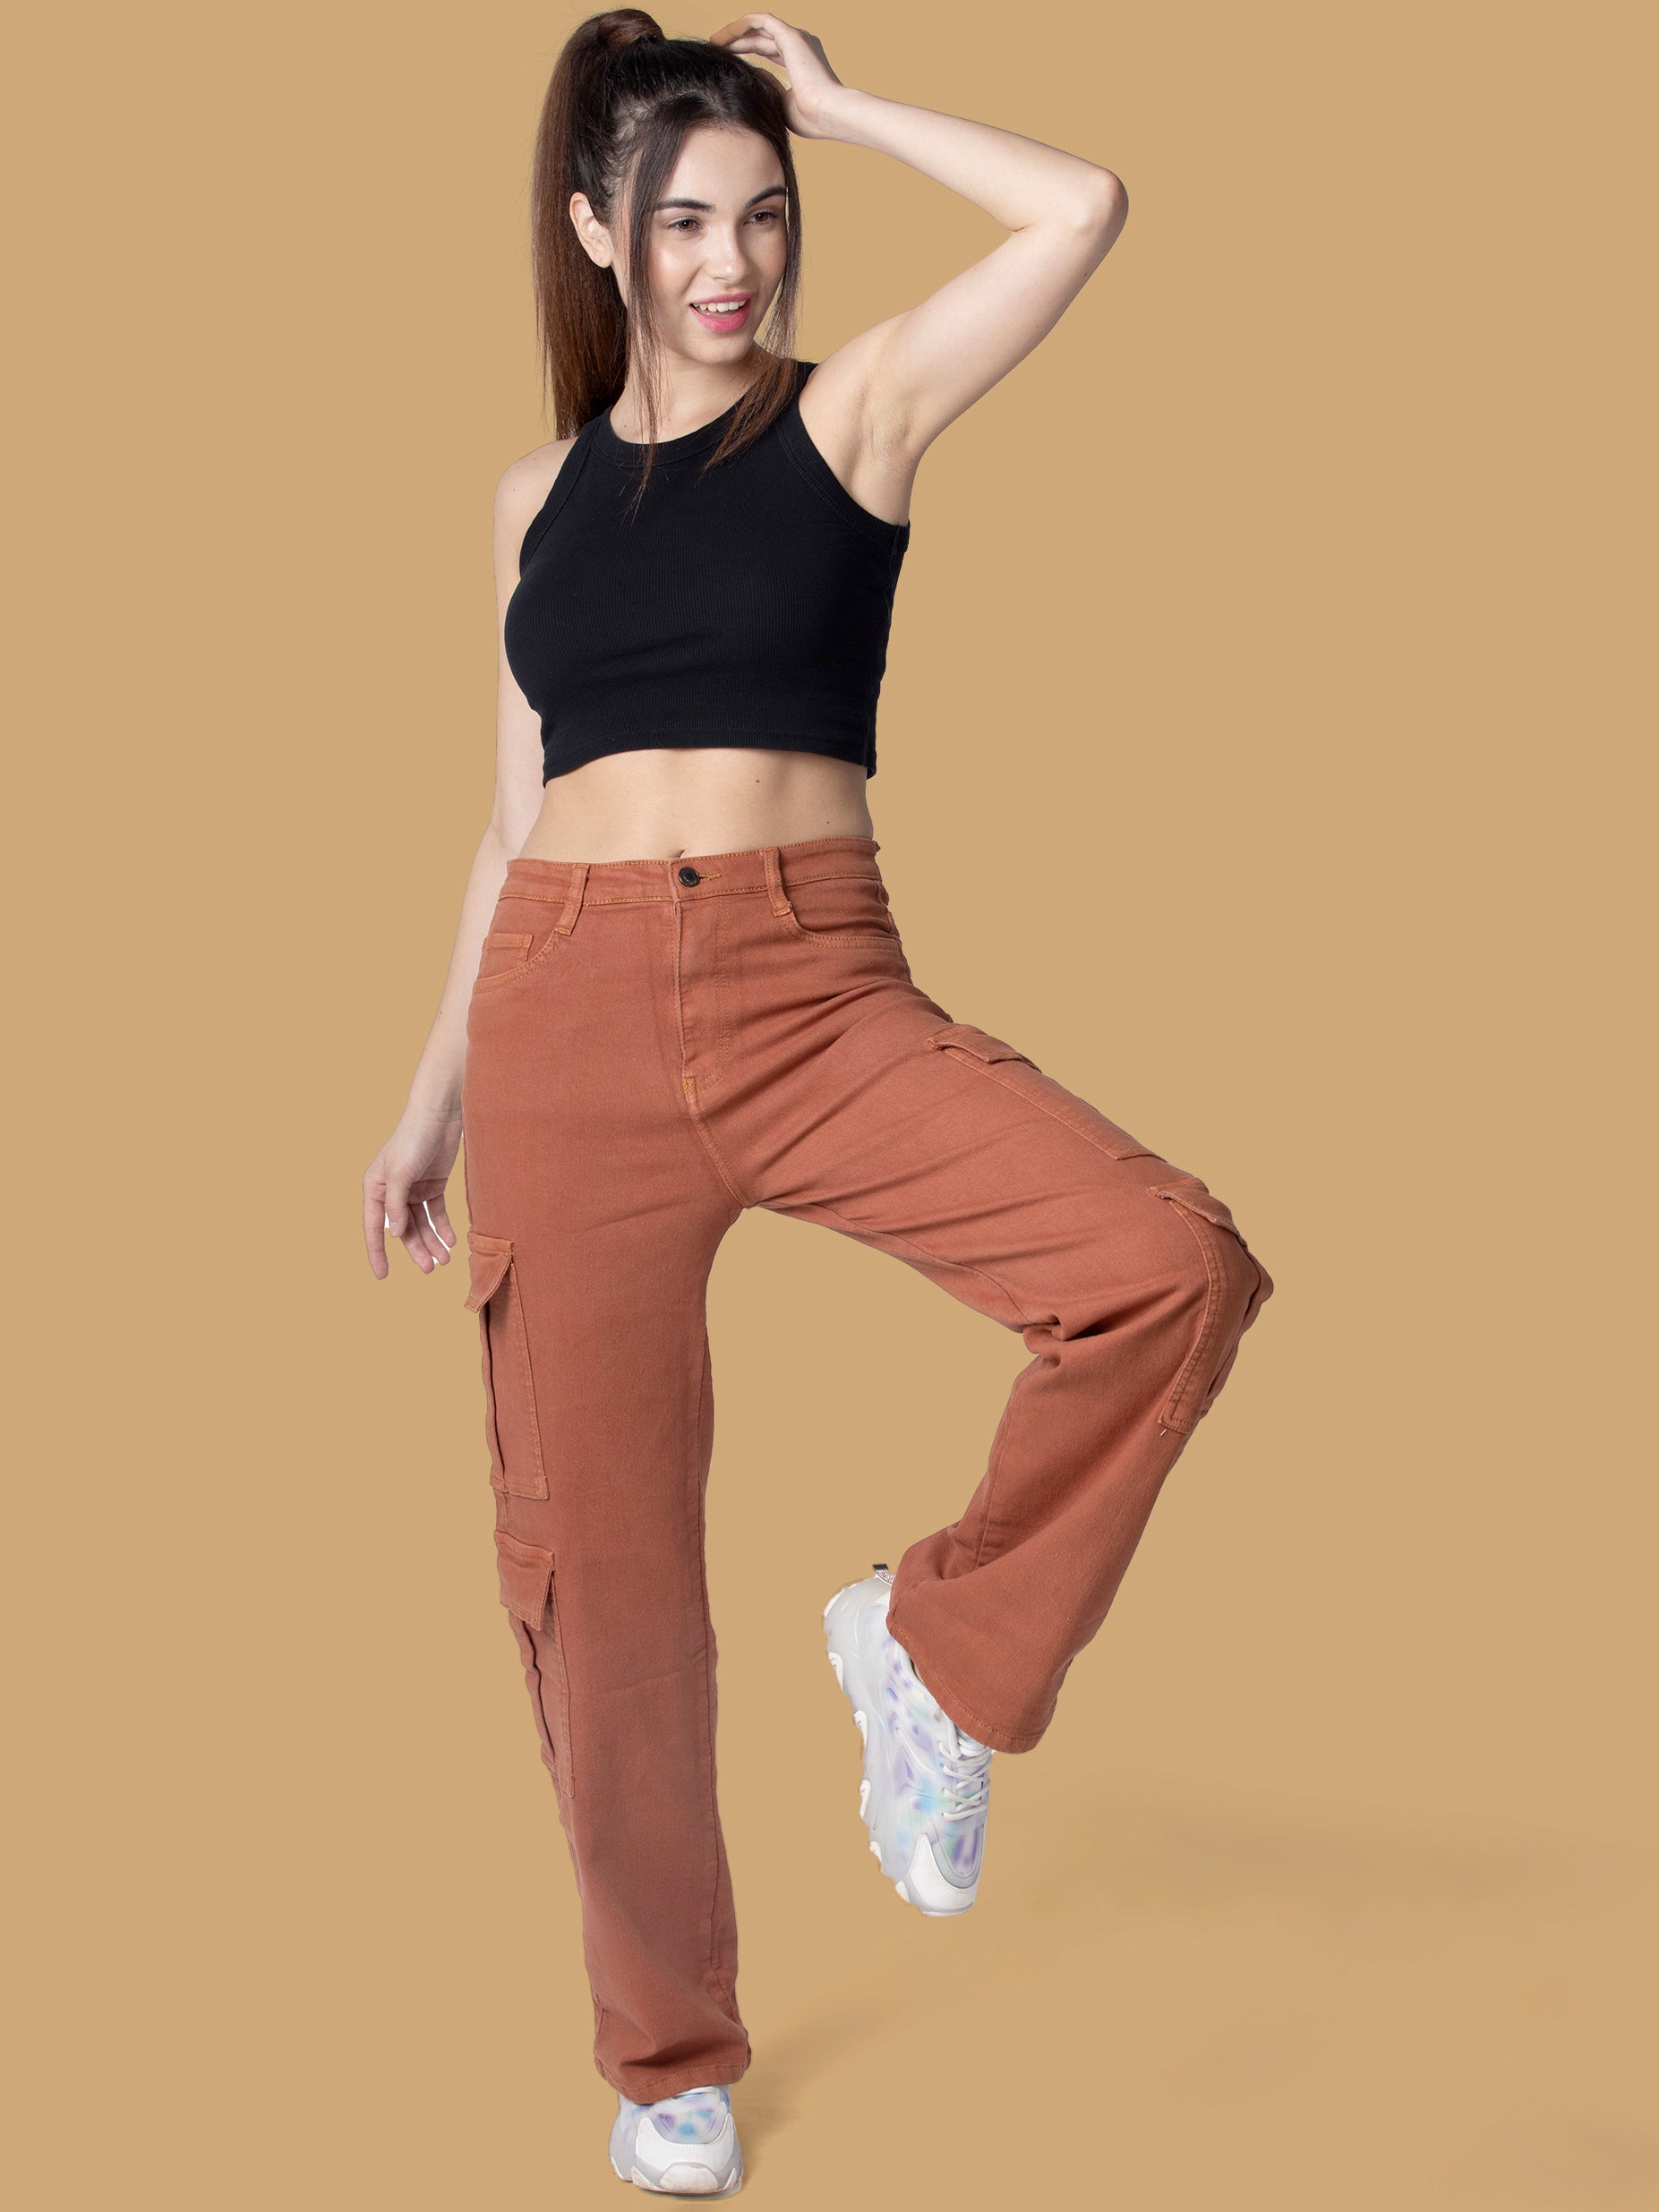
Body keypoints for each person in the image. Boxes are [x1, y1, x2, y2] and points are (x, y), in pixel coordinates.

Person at [362, 10, 1273, 2196]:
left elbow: (1086, 207)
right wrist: (427, 1104)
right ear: (599, 233)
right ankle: (666, 2049)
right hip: (564, 1018)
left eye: (765, 217)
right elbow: (510, 829)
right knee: (603, 1578)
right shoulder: (529, 505)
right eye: (683, 222)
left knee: (1166, 1267)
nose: (730, 263)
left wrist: (841, 102)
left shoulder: (852, 415)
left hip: (807, 981)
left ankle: (933, 1654)